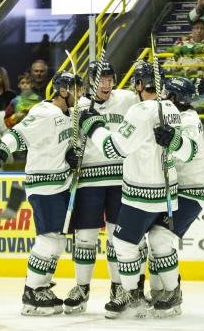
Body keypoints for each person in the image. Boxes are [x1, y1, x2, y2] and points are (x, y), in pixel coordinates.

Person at [77, 60, 197, 319]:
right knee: (160, 241)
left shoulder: (140, 111)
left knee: (123, 243)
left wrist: (94, 127)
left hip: (141, 194)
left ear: (140, 85)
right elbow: (189, 151)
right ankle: (172, 293)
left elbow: (115, 149)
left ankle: (133, 299)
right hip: (167, 192)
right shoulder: (171, 109)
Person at [0, 71, 84, 316]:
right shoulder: (44, 112)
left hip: (60, 184)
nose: (80, 94)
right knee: (49, 238)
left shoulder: (68, 114)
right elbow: (18, 133)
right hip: (43, 184)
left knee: (58, 239)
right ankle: (31, 290)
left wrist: (72, 155)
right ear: (63, 91)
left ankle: (41, 286)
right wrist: (1, 150)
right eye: (76, 89)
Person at [62, 60, 139, 314]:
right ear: (91, 82)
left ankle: (119, 288)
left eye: (110, 79)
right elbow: (69, 140)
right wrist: (70, 154)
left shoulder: (127, 99)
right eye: (101, 79)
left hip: (120, 179)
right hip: (89, 181)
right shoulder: (80, 106)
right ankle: (82, 288)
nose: (107, 84)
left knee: (118, 239)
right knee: (85, 239)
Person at [147, 76, 204, 318]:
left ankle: (172, 292)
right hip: (173, 189)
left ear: (174, 98)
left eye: (165, 94)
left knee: (159, 237)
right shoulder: (178, 116)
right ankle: (158, 291)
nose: (161, 98)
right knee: (154, 238)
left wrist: (172, 139)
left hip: (189, 191)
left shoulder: (188, 121)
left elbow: (188, 151)